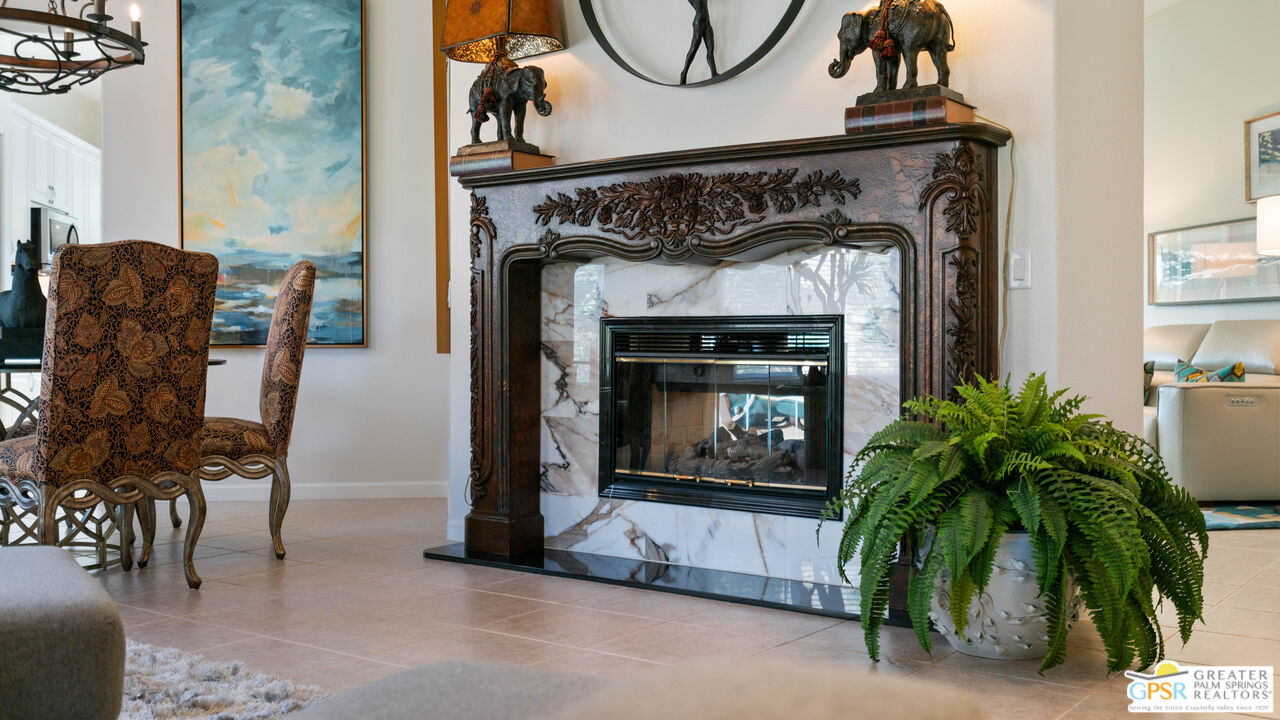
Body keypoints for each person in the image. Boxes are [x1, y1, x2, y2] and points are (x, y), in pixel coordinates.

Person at [679, 0, 717, 85]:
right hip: (698, 22)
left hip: (707, 21)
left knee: (710, 48)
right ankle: (683, 74)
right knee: (694, 48)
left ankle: (714, 73)